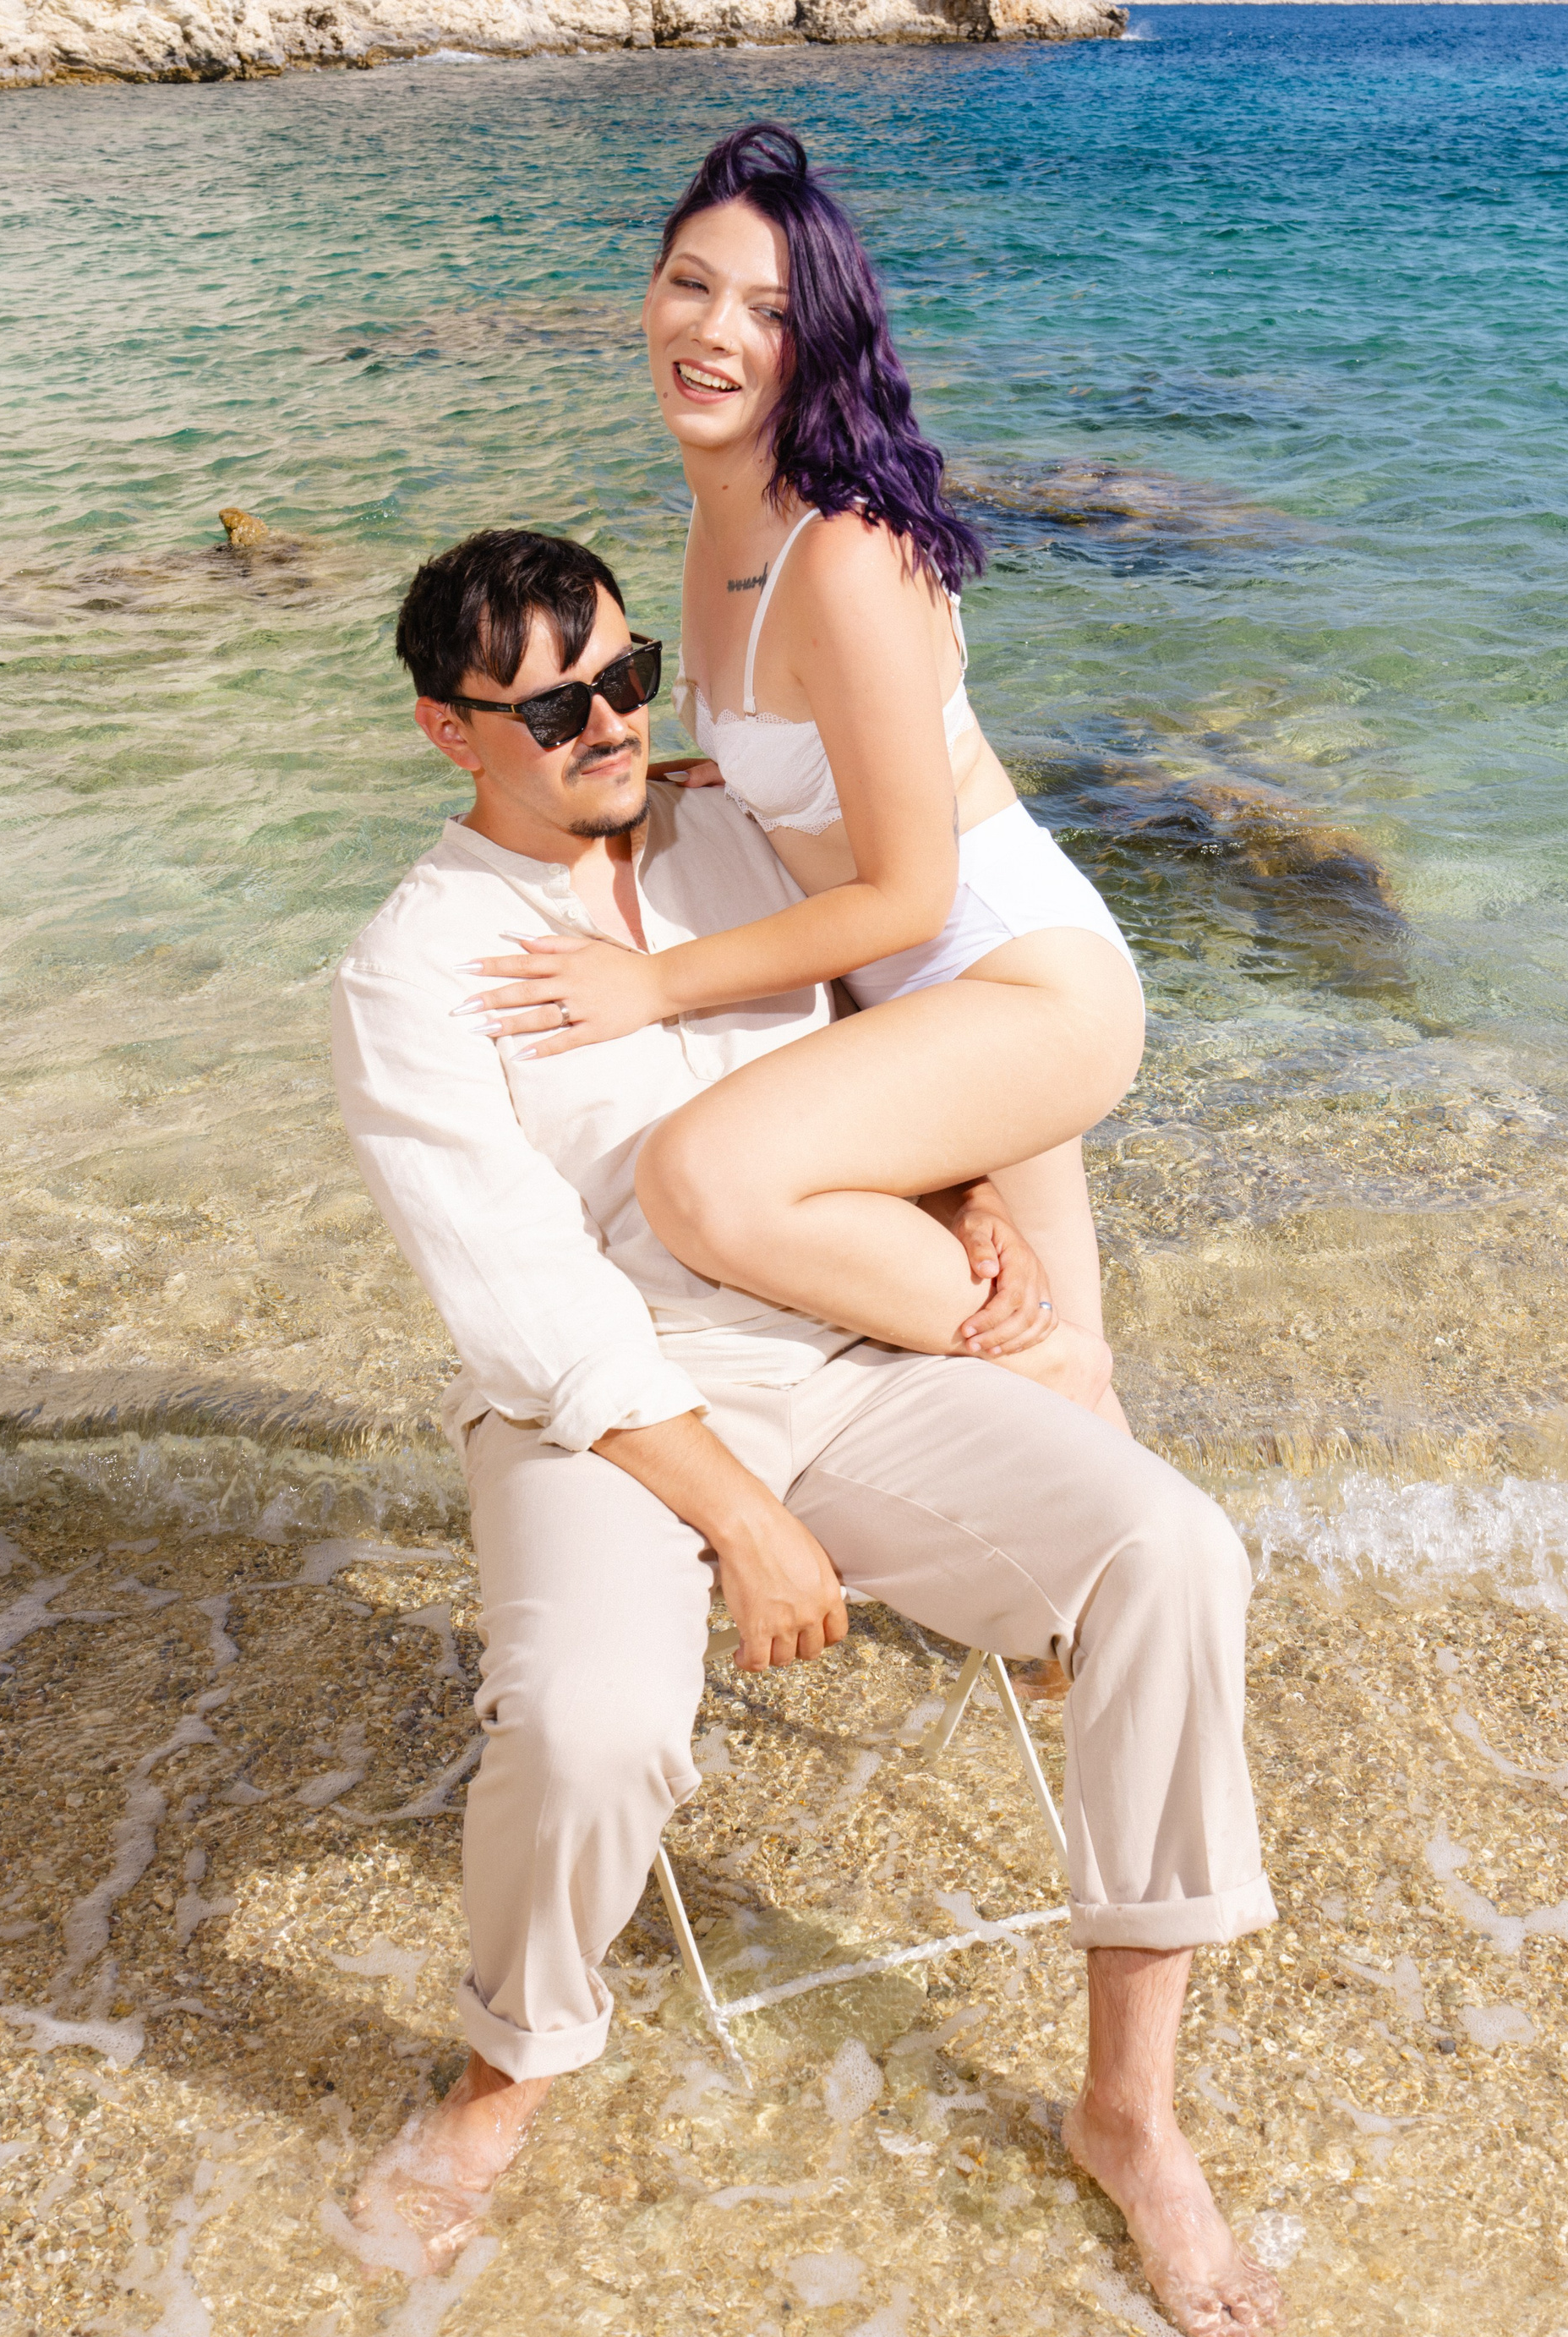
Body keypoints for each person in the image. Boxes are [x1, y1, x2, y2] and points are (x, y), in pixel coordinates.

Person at [330, 526, 1282, 2337]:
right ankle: (509, 2063)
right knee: (591, 1723)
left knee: (1170, 1552)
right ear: (452, 730)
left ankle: (1131, 2113)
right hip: (608, 1409)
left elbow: (922, 1026)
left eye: (625, 678)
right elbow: (526, 1304)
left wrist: (974, 1191)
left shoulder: (737, 838)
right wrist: (744, 1520)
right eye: (555, 710)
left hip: (849, 1348)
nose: (613, 725)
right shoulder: (411, 969)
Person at [446, 124, 1145, 1425]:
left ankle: (1052, 1376)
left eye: (768, 310)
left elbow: (913, 892)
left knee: (704, 1179)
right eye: (691, 284)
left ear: (815, 343)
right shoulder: (723, 511)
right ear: (648, 294)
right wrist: (716, 775)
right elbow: (815, 743)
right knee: (1073, 1441)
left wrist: (652, 984)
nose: (714, 331)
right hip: (919, 1004)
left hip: (1015, 985)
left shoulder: (845, 555)